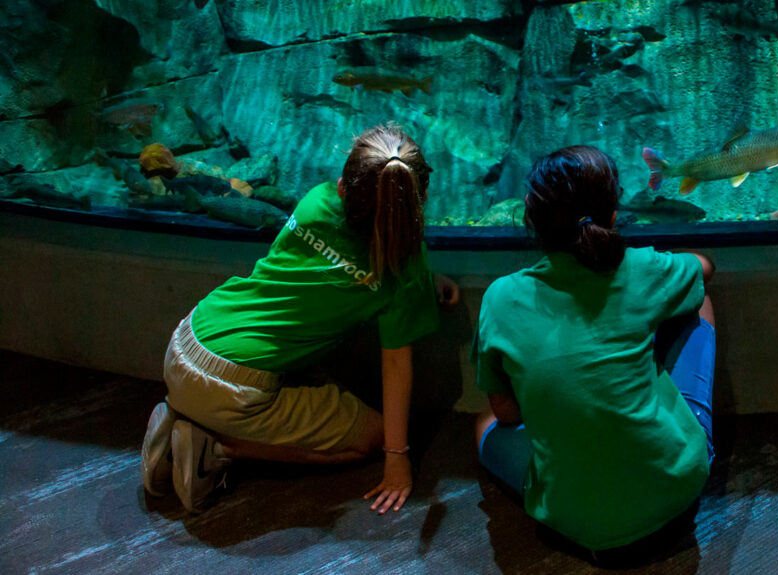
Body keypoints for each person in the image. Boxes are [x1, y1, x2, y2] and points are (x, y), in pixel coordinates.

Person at [141, 124, 460, 514]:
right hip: (233, 386)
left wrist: (422, 280)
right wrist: (397, 457)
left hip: (191, 335)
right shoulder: (401, 272)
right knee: (370, 438)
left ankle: (184, 411)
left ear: (343, 186)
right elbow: (396, 363)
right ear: (417, 201)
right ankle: (214, 447)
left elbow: (330, 268)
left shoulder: (317, 200)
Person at [473, 145, 716, 559]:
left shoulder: (500, 298)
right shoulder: (640, 268)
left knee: (484, 424)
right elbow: (704, 267)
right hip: (677, 490)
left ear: (532, 220)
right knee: (699, 300)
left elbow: (509, 414)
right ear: (614, 215)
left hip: (572, 522)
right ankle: (689, 434)